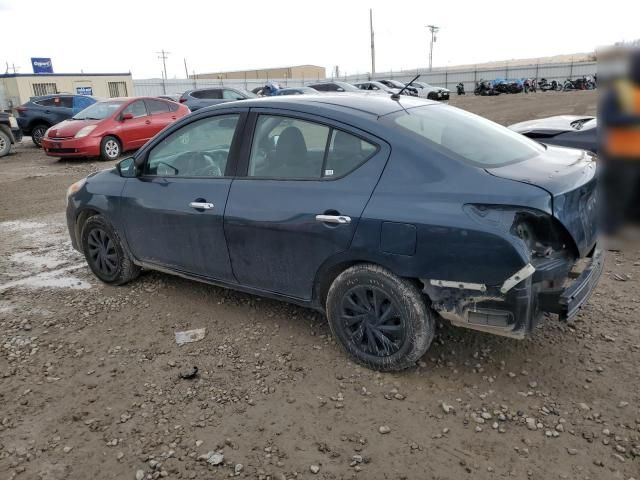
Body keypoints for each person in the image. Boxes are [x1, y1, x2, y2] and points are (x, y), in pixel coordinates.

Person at [599, 49, 640, 232]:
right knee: (618, 196)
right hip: (622, 155)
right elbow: (607, 118)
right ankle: (610, 231)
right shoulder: (619, 90)